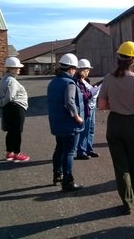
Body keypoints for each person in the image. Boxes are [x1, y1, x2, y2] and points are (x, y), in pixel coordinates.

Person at [98, 41, 134, 215]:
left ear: (118, 58)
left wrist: (116, 105)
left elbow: (101, 105)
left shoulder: (108, 78)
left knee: (121, 165)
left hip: (115, 124)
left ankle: (127, 202)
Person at [47, 53, 85, 191]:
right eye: (75, 69)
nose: (75, 71)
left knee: (59, 149)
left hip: (57, 122)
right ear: (70, 68)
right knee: (69, 152)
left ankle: (57, 174)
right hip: (69, 124)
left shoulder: (53, 82)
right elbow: (69, 102)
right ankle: (67, 181)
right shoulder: (69, 83)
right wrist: (77, 117)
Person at [0, 57, 30, 162]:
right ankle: (17, 153)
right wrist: (0, 103)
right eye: (17, 68)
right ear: (12, 69)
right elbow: (10, 96)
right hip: (16, 108)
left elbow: (3, 95)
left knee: (11, 131)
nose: (19, 69)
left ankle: (9, 152)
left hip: (10, 108)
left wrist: (0, 103)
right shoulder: (12, 81)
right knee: (17, 131)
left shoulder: (4, 78)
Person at [75, 59, 100, 160]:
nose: (88, 72)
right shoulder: (77, 81)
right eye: (87, 70)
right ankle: (81, 151)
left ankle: (88, 149)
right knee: (84, 130)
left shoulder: (86, 80)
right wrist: (93, 92)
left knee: (91, 129)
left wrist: (94, 89)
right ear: (82, 70)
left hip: (91, 107)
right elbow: (83, 96)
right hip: (85, 108)